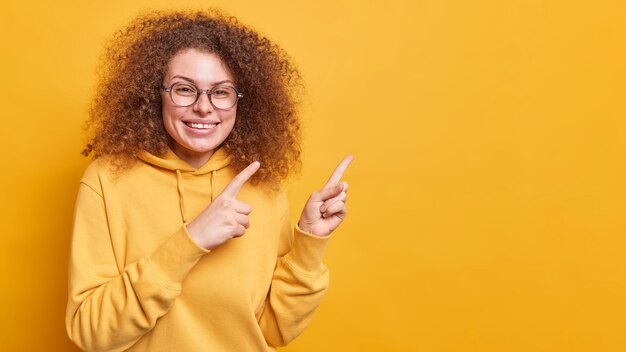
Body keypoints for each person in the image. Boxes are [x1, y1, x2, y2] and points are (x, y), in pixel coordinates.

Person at [65, 9, 353, 352]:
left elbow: (275, 331)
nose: (204, 107)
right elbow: (91, 335)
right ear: (155, 94)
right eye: (185, 89)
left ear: (241, 101)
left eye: (221, 92)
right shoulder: (107, 180)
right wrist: (190, 240)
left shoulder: (264, 187)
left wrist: (309, 245)